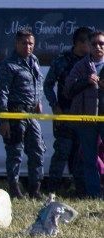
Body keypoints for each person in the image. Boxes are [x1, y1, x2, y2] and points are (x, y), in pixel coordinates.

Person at [0, 28, 45, 199]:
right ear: (16, 44)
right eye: (24, 43)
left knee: (37, 150)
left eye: (31, 43)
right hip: (15, 113)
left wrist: (38, 101)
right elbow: (2, 93)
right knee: (15, 152)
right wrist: (4, 119)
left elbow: (37, 83)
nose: (28, 46)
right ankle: (14, 189)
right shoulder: (8, 64)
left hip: (31, 114)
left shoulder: (34, 60)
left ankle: (35, 189)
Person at [44, 27, 92, 196]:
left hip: (84, 115)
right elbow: (48, 85)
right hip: (65, 113)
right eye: (90, 43)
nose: (93, 47)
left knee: (81, 154)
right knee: (62, 152)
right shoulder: (62, 60)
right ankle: (52, 190)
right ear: (80, 43)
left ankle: (80, 191)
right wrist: (54, 105)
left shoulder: (91, 61)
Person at [65, 30, 104, 199]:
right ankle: (94, 194)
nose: (98, 47)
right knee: (89, 159)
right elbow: (68, 89)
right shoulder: (80, 66)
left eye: (101, 43)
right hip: (87, 120)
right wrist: (86, 81)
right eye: (94, 44)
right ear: (88, 46)